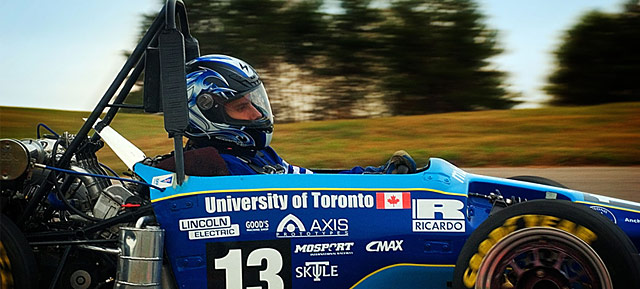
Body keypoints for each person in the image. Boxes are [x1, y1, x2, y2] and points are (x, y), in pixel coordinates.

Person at [183, 54, 416, 175]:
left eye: (252, 103)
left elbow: (309, 180)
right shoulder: (226, 167)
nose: (255, 114)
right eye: (241, 107)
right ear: (206, 113)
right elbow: (308, 196)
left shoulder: (256, 155)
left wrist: (375, 177)